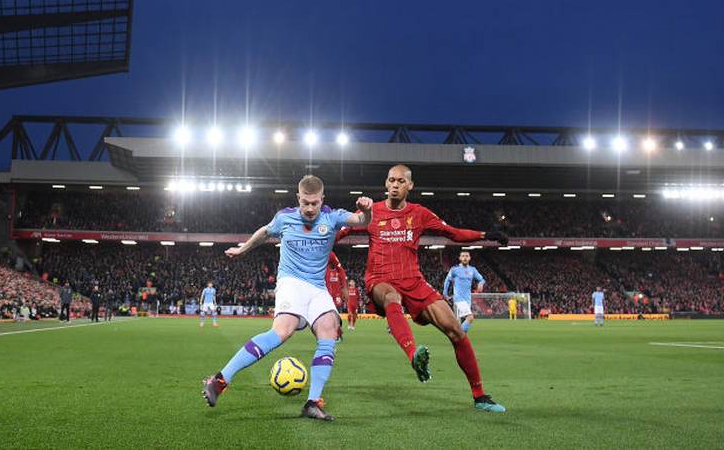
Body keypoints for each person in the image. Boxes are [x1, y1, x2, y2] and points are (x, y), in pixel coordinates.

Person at [338, 164, 508, 413]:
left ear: (410, 185)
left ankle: (480, 395)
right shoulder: (370, 212)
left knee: (456, 331)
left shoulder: (419, 213)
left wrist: (486, 234)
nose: (395, 185)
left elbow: (452, 233)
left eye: (400, 181)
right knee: (392, 297)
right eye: (391, 180)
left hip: (414, 281)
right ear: (386, 183)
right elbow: (338, 232)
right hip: (381, 279)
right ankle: (413, 356)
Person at [202, 175, 373, 421]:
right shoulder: (285, 218)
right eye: (305, 203)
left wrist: (366, 211)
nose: (310, 208)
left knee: (329, 328)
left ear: (322, 199)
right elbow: (264, 232)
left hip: (317, 288)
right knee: (283, 330)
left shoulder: (332, 217)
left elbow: (361, 221)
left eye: (315, 203)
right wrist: (242, 249)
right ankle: (219, 380)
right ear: (298, 199)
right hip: (291, 282)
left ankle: (313, 402)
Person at [443, 251, 485, 333]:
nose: (465, 258)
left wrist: (481, 283)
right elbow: (447, 280)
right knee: (470, 318)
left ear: (469, 258)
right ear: (460, 258)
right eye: (463, 256)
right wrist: (445, 294)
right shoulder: (454, 269)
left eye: (466, 256)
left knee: (462, 322)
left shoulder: (472, 270)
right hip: (459, 299)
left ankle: (460, 338)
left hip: (468, 299)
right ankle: (458, 335)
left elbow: (482, 279)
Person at [325, 252, 349, 334]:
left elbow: (340, 270)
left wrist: (344, 288)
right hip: (317, 288)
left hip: (329, 292)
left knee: (332, 311)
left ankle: (337, 329)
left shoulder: (329, 253)